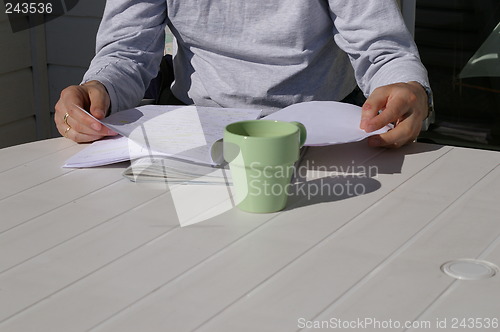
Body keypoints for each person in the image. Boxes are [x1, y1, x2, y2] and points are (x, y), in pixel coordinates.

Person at [55, 0, 432, 148]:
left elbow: (381, 48)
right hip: (196, 129)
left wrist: (406, 86)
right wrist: (97, 88)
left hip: (322, 132)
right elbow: (126, 51)